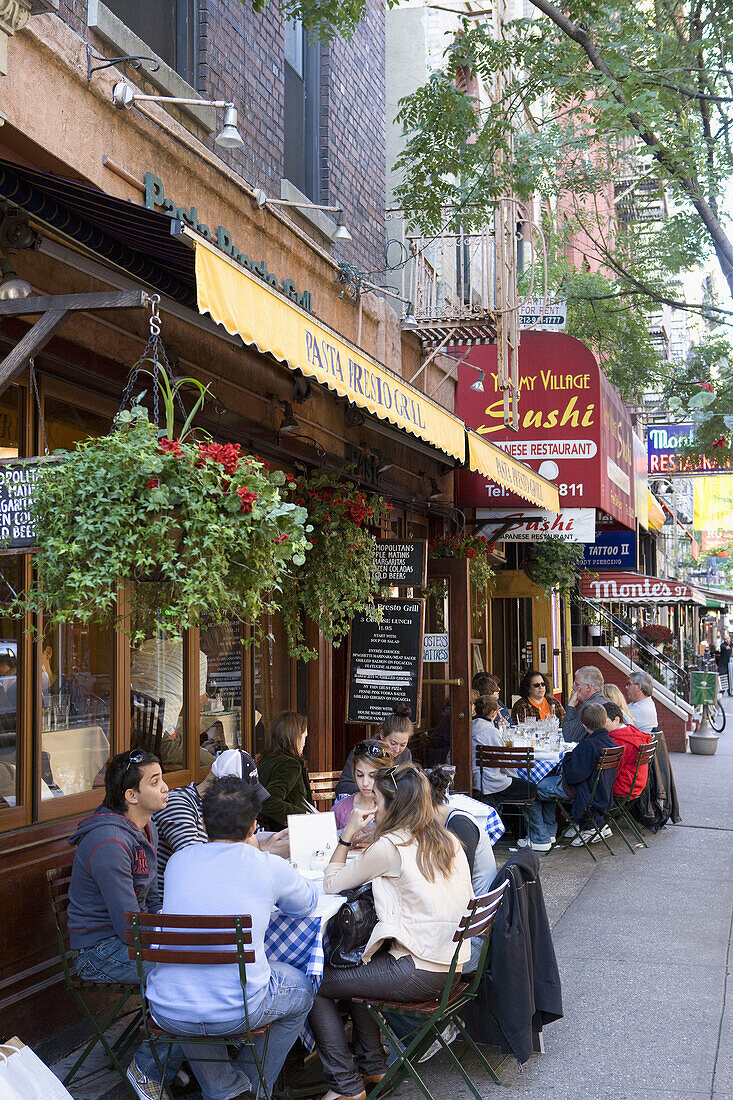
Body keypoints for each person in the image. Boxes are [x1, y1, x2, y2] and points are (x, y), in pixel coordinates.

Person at [145, 775, 318, 1100]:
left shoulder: (178, 862)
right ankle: (252, 1088)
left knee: (192, 993)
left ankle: (227, 1089)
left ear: (203, 822)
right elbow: (307, 903)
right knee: (302, 990)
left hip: (166, 1007)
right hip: (238, 1008)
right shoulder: (266, 865)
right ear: (254, 826)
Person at [309, 764, 473, 1100]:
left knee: (314, 982)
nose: (374, 807)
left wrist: (347, 834)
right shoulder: (448, 839)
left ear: (393, 807)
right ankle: (372, 1066)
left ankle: (345, 1086)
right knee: (356, 966)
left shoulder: (390, 847)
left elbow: (331, 882)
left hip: (417, 970)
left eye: (379, 802)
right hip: (451, 967)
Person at [66, 750, 184, 1100]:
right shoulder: (110, 842)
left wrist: (175, 933)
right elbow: (129, 927)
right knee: (185, 975)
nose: (166, 788)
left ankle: (170, 1058)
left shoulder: (146, 828)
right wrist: (174, 945)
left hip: (124, 940)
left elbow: (151, 901)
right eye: (155, 781)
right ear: (131, 796)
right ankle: (148, 1070)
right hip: (98, 951)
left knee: (195, 962)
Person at [152, 747, 288, 890]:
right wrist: (263, 852)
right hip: (178, 900)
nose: (246, 801)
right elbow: (199, 861)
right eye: (242, 795)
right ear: (225, 786)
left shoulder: (227, 807)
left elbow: (257, 835)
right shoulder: (176, 803)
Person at [520, 701, 618, 850]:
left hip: (580, 791)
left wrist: (568, 757)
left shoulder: (588, 745)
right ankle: (550, 833)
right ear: (604, 721)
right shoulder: (610, 743)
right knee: (545, 783)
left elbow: (573, 776)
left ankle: (539, 837)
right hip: (600, 791)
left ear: (583, 725)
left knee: (531, 787)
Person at [426, 764, 496, 971]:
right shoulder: (443, 824)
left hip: (469, 944)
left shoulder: (459, 826)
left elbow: (452, 892)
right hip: (462, 931)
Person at [131, 635, 213, 767]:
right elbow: (197, 703)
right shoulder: (195, 655)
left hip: (131, 733)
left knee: (180, 737)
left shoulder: (146, 646)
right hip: (159, 740)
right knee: (213, 766)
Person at [472, 694, 537, 808]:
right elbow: (504, 762)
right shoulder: (491, 731)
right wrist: (514, 778)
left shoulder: (468, 728)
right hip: (490, 783)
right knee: (531, 788)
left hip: (473, 780)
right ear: (493, 713)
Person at [335, 702, 414, 796]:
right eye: (393, 743)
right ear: (382, 735)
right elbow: (342, 787)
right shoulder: (363, 751)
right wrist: (373, 789)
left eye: (403, 745)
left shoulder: (406, 754)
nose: (397, 750)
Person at [256, 711, 314, 830]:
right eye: (304, 737)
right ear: (295, 736)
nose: (304, 743)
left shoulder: (265, 761)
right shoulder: (290, 764)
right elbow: (268, 801)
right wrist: (304, 815)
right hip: (286, 835)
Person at [332, 739, 392, 843]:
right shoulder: (340, 808)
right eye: (359, 775)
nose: (365, 783)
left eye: (372, 776)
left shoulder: (396, 808)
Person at [602, 701, 653, 799]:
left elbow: (611, 773)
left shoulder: (619, 742)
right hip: (637, 784)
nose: (601, 725)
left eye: (604, 721)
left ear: (616, 720)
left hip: (623, 787)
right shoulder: (631, 733)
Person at [561, 666, 610, 743]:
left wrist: (571, 705)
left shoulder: (590, 707)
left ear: (588, 687)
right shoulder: (608, 702)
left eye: (577, 684)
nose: (573, 687)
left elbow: (569, 737)